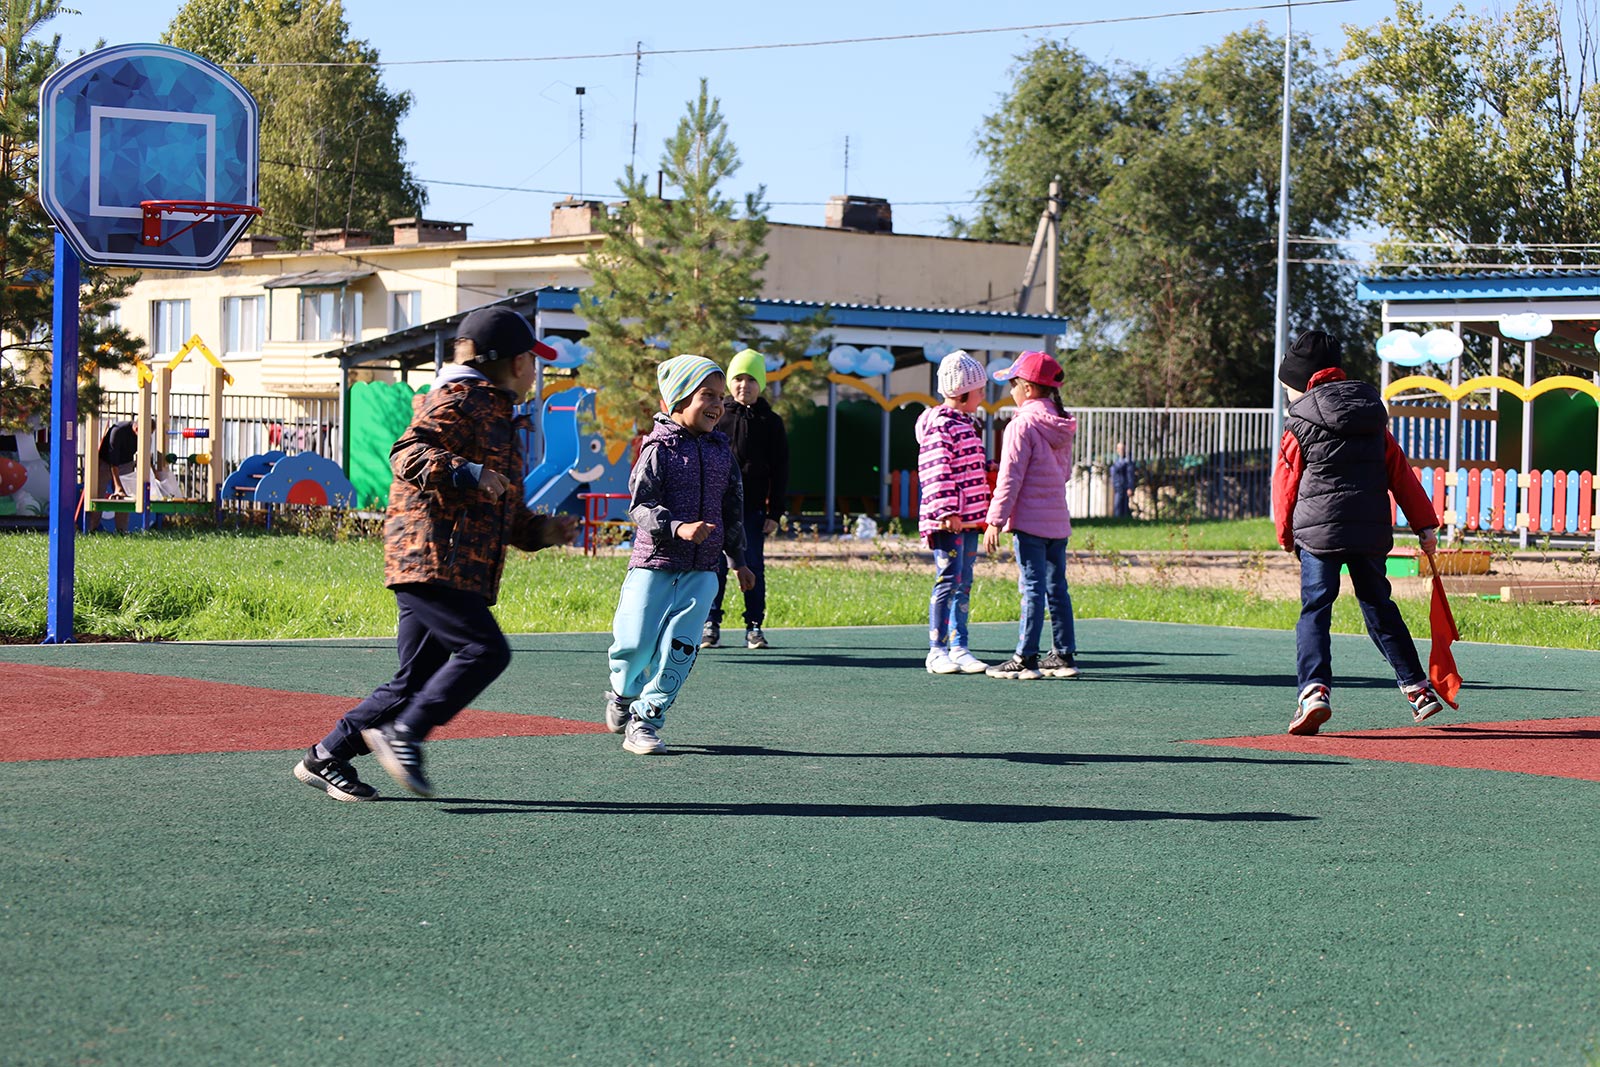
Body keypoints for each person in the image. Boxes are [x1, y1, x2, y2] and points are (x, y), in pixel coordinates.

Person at [293, 306, 577, 801]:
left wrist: (543, 531)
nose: (537, 370)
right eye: (533, 360)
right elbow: (407, 453)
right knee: (484, 652)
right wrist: (468, 472)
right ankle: (405, 734)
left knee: (416, 678)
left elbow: (506, 516)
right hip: (430, 560)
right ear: (511, 362)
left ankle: (325, 755)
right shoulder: (461, 400)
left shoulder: (501, 416)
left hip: (451, 566)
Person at [1273, 329, 1447, 735]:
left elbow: (1286, 483)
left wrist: (1285, 535)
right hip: (1369, 529)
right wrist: (1424, 525)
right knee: (1378, 606)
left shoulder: (1298, 422)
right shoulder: (1372, 416)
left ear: (1301, 382)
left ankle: (1314, 691)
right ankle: (1418, 689)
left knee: (1316, 610)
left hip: (1319, 534)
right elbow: (1400, 473)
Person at [606, 354, 754, 755]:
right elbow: (640, 506)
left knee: (680, 648)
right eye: (708, 395)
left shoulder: (723, 451)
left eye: (721, 397)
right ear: (678, 400)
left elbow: (732, 507)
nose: (718, 405)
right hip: (654, 563)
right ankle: (622, 691)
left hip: (704, 569)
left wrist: (738, 560)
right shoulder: (658, 449)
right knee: (635, 644)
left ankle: (646, 719)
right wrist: (677, 527)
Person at [982, 350, 1080, 680]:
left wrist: (995, 520)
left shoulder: (1021, 425)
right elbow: (1062, 474)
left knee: (1032, 589)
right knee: (1057, 588)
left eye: (1012, 383)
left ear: (1025, 387)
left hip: (1029, 522)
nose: (1010, 390)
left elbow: (1010, 478)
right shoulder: (1061, 424)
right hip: (1057, 519)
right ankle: (1063, 655)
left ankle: (1025, 657)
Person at [703, 347, 788, 651]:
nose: (744, 385)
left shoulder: (771, 422)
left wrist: (774, 512)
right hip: (714, 509)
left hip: (751, 511)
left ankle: (754, 625)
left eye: (751, 379)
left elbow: (781, 470)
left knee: (752, 567)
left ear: (760, 384)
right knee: (714, 567)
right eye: (738, 378)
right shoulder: (717, 415)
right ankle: (710, 623)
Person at [915, 351, 992, 675]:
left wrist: (989, 470)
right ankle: (937, 649)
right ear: (962, 392)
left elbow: (965, 466)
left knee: (965, 581)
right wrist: (947, 509)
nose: (983, 396)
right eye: (979, 391)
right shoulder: (941, 425)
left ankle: (960, 646)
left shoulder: (967, 424)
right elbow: (936, 470)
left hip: (971, 518)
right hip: (949, 519)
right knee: (948, 578)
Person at [94, 418, 141, 532]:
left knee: (125, 498)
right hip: (106, 461)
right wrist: (118, 486)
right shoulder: (118, 431)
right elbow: (113, 461)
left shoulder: (145, 436)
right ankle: (92, 527)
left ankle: (122, 530)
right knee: (97, 495)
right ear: (137, 429)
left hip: (126, 462)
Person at [1110, 441, 1135, 518]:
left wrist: (1130, 487)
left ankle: (1121, 521)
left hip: (1123, 486)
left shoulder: (1127, 461)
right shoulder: (1117, 460)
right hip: (1117, 486)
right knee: (1120, 506)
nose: (1121, 450)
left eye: (1122, 448)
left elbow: (1130, 475)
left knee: (1120, 507)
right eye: (1119, 449)